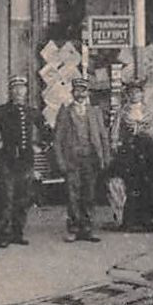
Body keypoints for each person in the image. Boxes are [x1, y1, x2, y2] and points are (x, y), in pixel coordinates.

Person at [52, 75, 109, 242]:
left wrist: (105, 158)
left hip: (90, 158)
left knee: (89, 194)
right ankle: (73, 228)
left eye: (83, 90)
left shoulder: (95, 111)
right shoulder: (65, 111)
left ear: (88, 93)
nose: (80, 94)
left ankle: (88, 228)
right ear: (72, 92)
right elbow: (57, 139)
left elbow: (103, 136)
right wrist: (60, 161)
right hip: (72, 159)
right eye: (77, 90)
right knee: (73, 195)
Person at [0, 75, 38, 247]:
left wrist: (39, 146)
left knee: (23, 198)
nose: (19, 92)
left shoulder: (32, 111)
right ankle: (3, 234)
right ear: (10, 91)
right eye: (15, 88)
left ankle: (18, 233)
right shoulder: (0, 111)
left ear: (26, 91)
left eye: (22, 88)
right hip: (7, 161)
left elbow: (47, 131)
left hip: (25, 161)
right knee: (6, 198)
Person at [108, 78, 153, 231]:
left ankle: (147, 219)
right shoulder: (122, 112)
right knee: (131, 185)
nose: (135, 95)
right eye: (132, 93)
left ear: (142, 94)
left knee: (147, 184)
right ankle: (129, 220)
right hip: (129, 151)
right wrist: (115, 145)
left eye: (138, 92)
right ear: (128, 95)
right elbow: (115, 131)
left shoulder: (149, 111)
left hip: (146, 150)